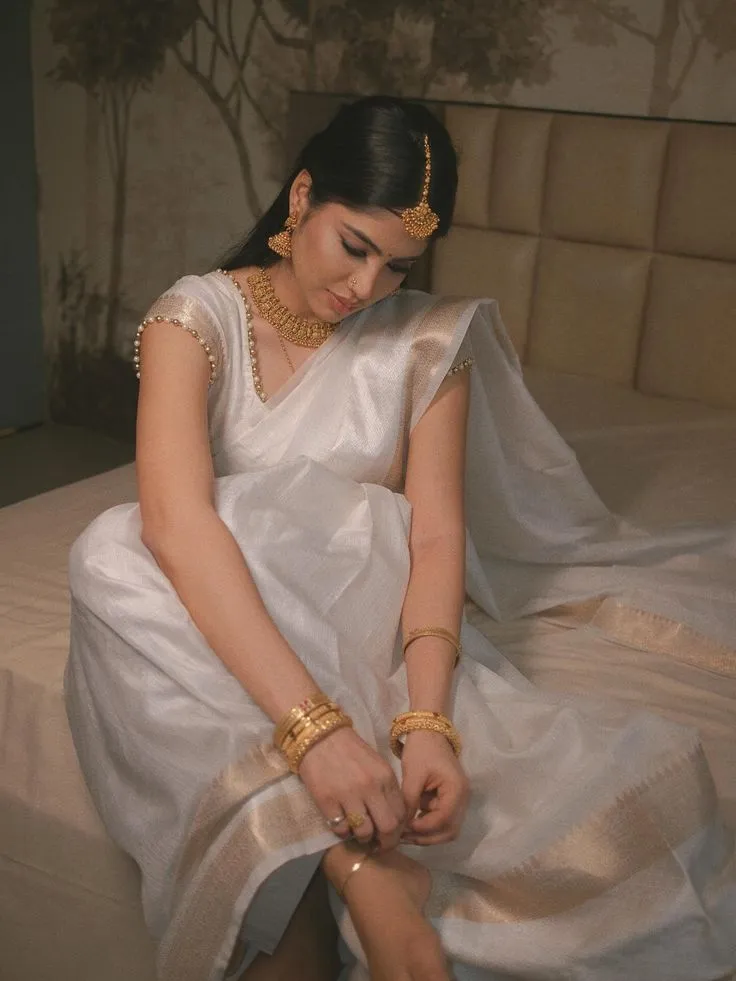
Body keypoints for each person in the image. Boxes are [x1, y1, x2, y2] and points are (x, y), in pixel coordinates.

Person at [65, 95, 735, 981]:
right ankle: (362, 867)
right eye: (356, 246)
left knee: (126, 559)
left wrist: (425, 725)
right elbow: (179, 527)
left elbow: (434, 540)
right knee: (115, 551)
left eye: (397, 265)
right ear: (302, 196)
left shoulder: (426, 338)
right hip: (238, 610)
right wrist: (320, 735)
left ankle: (340, 858)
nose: (367, 287)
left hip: (356, 611)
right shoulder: (192, 321)